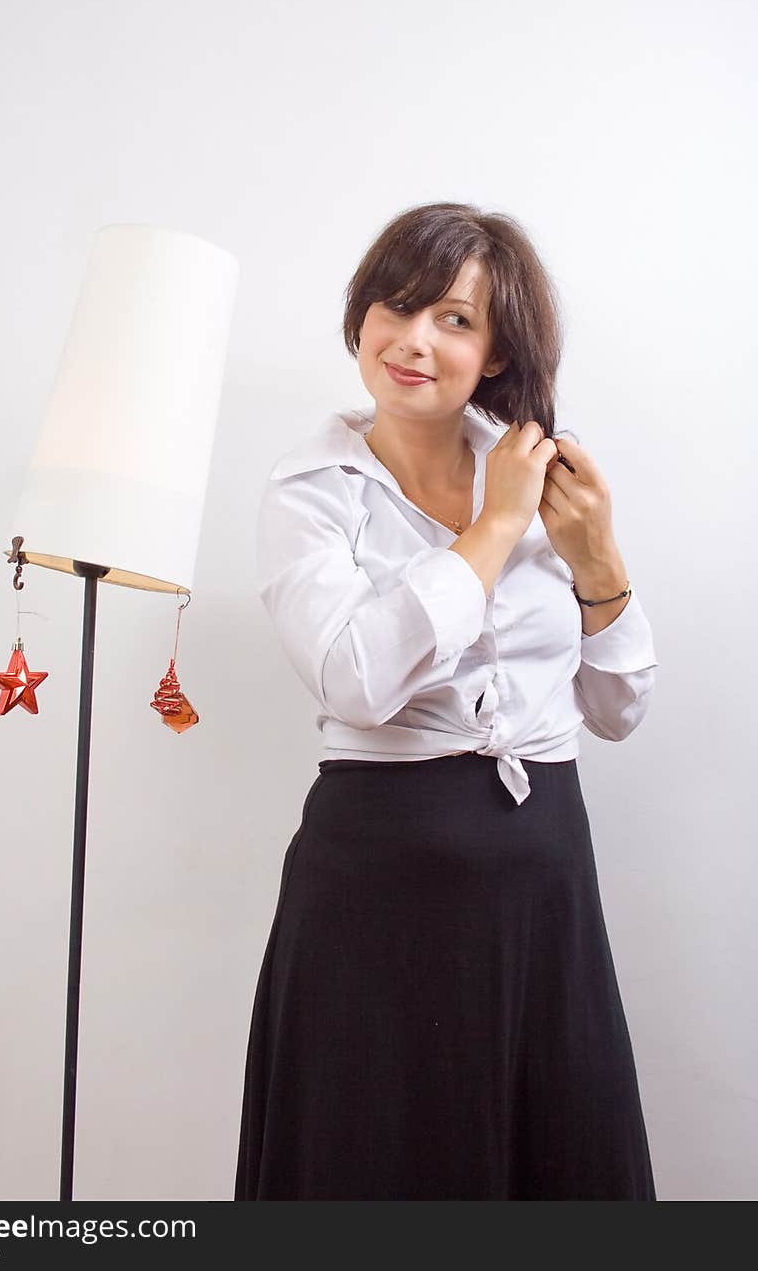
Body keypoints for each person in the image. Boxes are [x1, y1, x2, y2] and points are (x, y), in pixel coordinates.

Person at [234, 201, 658, 1200]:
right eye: (395, 306)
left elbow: (616, 708)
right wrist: (494, 531)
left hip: (545, 882)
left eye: (455, 319)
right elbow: (354, 680)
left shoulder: (539, 470)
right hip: (377, 889)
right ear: (362, 315)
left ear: (499, 345)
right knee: (374, 1166)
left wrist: (597, 560)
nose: (413, 340)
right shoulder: (311, 491)